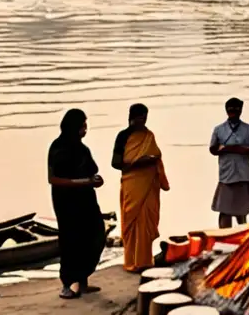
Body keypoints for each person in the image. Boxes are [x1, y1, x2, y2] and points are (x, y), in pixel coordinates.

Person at [47, 109, 107, 299]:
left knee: (96, 235)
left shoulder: (82, 149)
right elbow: (53, 179)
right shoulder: (58, 148)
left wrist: (94, 180)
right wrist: (81, 182)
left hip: (86, 199)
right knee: (70, 240)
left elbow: (91, 171)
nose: (85, 129)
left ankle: (83, 279)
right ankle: (67, 283)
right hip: (66, 201)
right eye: (82, 125)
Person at [112, 104, 169, 273]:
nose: (143, 121)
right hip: (132, 185)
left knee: (146, 223)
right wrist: (137, 163)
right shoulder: (123, 136)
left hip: (149, 185)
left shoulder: (148, 135)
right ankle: (131, 262)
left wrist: (152, 160)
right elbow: (115, 163)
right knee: (131, 222)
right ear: (131, 118)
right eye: (139, 118)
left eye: (145, 117)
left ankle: (144, 261)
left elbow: (157, 157)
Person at [210, 97, 249, 228]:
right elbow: (213, 149)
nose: (233, 111)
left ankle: (242, 238)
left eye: (236, 108)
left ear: (241, 110)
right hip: (226, 176)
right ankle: (224, 237)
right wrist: (224, 149)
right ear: (226, 110)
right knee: (224, 211)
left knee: (242, 212)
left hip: (243, 174)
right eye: (230, 109)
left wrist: (233, 148)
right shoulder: (219, 129)